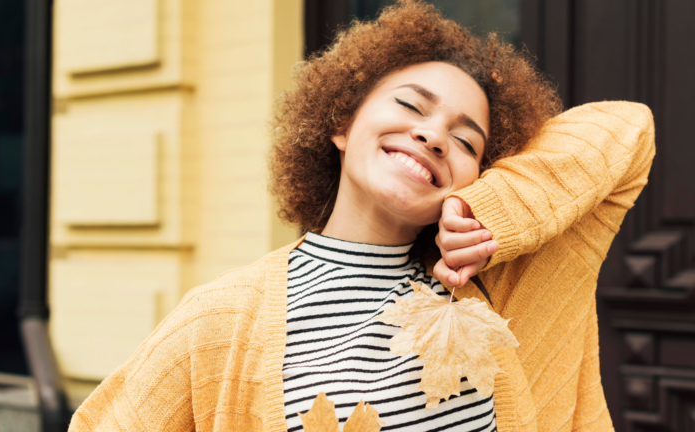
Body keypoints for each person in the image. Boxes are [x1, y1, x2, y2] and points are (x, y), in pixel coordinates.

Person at [68, 1, 654, 431]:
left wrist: (490, 209)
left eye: (466, 141)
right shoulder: (221, 318)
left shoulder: (502, 287)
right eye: (409, 106)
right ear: (342, 125)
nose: (431, 135)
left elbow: (629, 131)